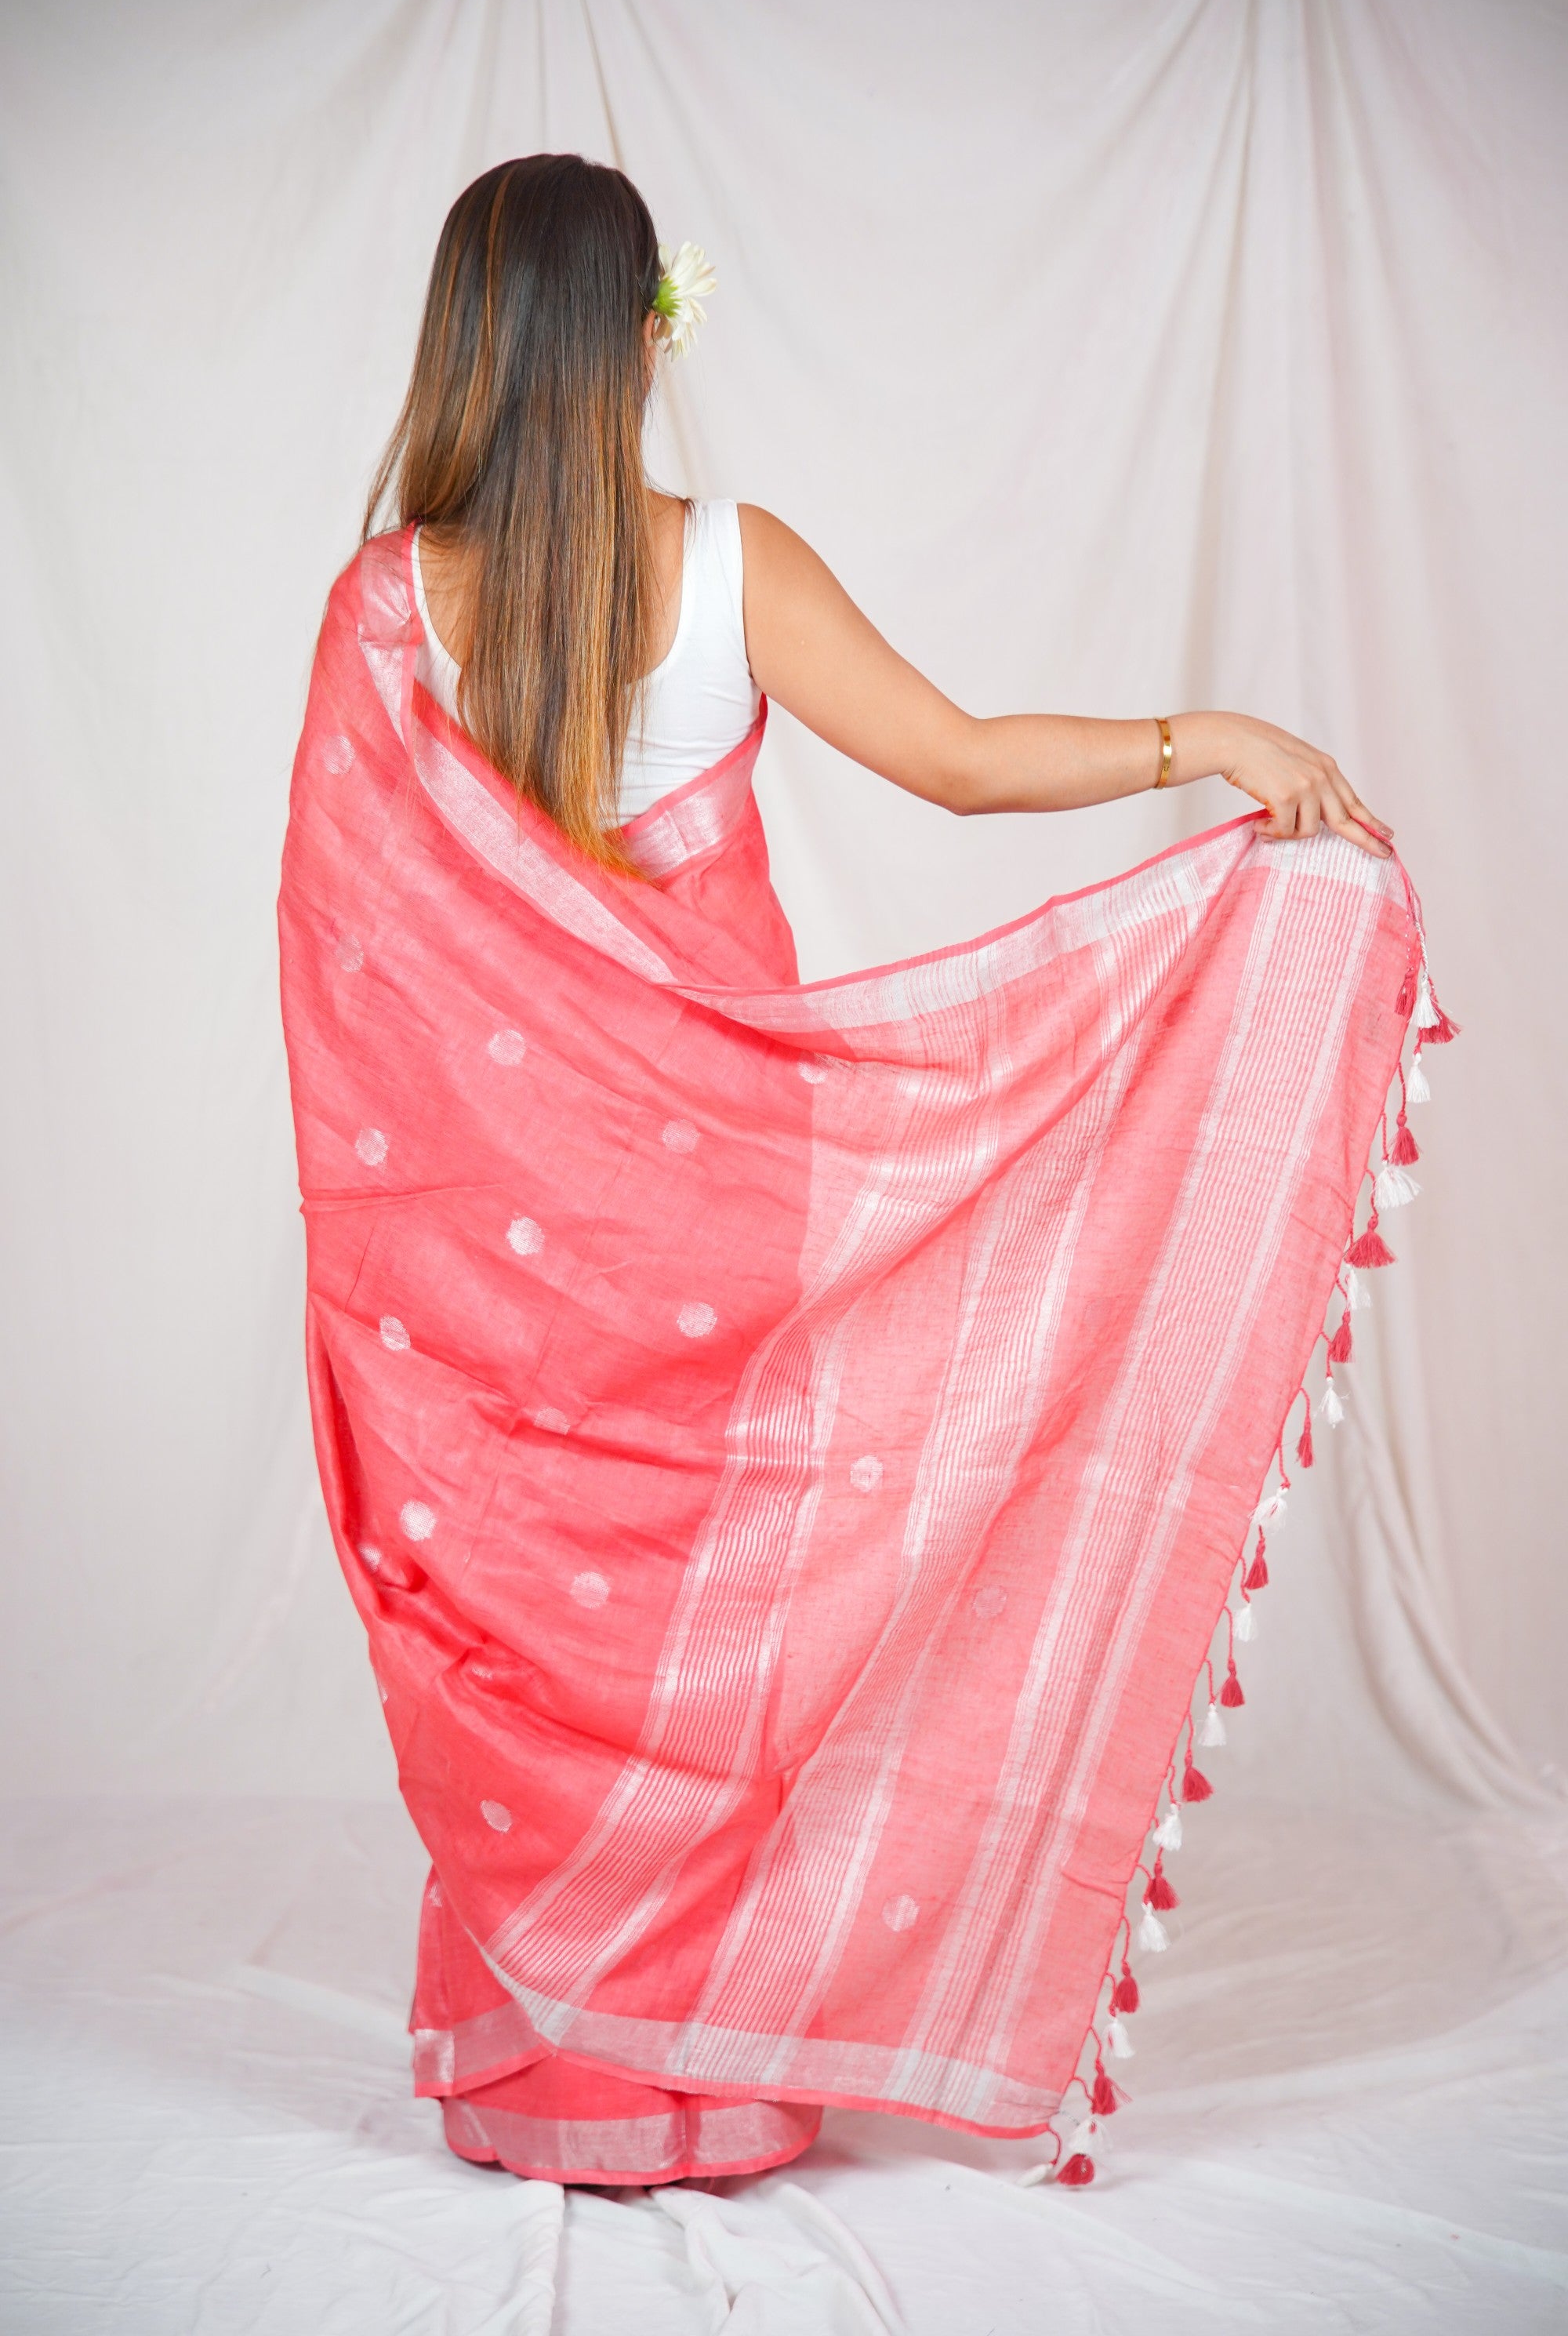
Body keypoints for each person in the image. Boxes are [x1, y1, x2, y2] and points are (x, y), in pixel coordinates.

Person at [279, 152, 1416, 2188]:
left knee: (543, 1618)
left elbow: (351, 980)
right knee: (719, 1615)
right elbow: (962, 763)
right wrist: (1206, 739)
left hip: (486, 1249)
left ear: (467, 342)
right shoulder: (733, 564)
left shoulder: (386, 610)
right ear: (642, 341)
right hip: (740, 1193)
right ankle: (711, 2070)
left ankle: (559, 2078)